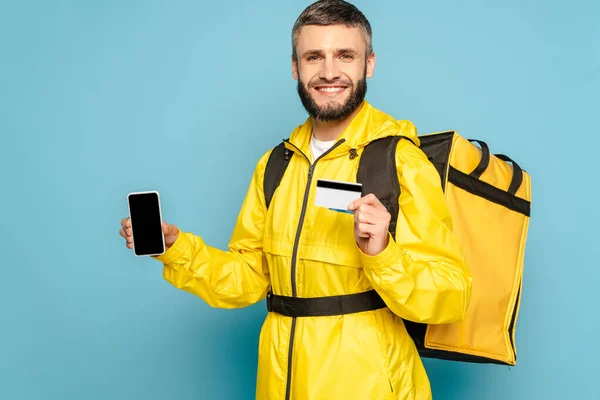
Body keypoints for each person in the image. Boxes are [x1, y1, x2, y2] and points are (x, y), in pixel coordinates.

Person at [120, 1, 472, 398]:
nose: (328, 72)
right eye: (313, 57)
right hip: (280, 382)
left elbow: (451, 296)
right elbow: (247, 279)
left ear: (369, 64)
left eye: (345, 55)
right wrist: (176, 248)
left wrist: (384, 253)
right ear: (295, 67)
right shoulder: (275, 166)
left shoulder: (400, 161)